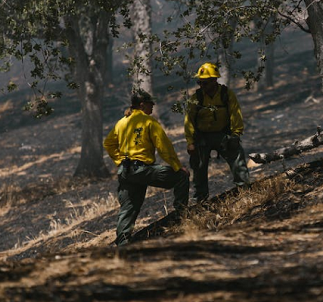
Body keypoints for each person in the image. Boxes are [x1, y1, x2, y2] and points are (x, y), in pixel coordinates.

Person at [104, 89, 189, 246]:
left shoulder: (122, 122)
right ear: (142, 105)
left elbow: (108, 143)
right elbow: (164, 147)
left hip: (126, 171)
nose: (153, 107)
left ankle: (122, 245)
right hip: (141, 169)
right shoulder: (149, 122)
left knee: (128, 208)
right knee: (181, 177)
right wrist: (177, 166)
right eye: (151, 104)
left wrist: (119, 161)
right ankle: (181, 215)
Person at [185, 62, 250, 203]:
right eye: (200, 83)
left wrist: (235, 135)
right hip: (201, 137)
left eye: (205, 83)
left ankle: (245, 190)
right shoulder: (195, 99)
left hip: (223, 135)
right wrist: (190, 142)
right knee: (198, 167)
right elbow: (188, 121)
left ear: (214, 81)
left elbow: (235, 114)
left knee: (237, 158)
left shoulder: (227, 95)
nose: (202, 86)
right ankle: (201, 200)